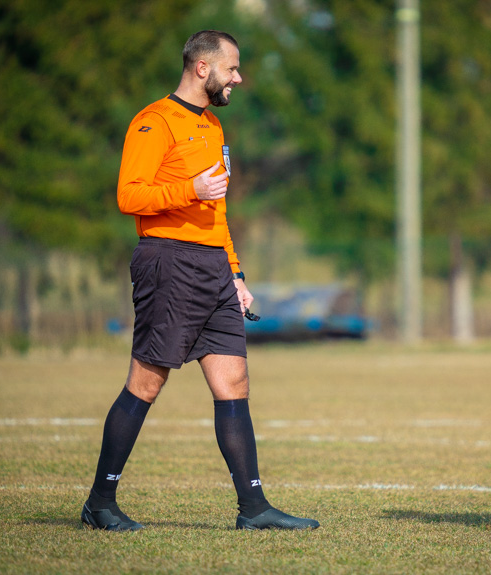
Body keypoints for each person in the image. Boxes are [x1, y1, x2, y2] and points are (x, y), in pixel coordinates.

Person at [81, 30, 319, 532]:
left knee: (233, 382)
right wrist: (189, 187)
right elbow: (130, 196)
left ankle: (253, 510)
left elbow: (216, 211)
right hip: (167, 261)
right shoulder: (154, 121)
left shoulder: (212, 126)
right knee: (146, 383)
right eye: (232, 68)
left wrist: (235, 272)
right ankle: (100, 502)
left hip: (213, 267)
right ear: (203, 69)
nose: (239, 77)